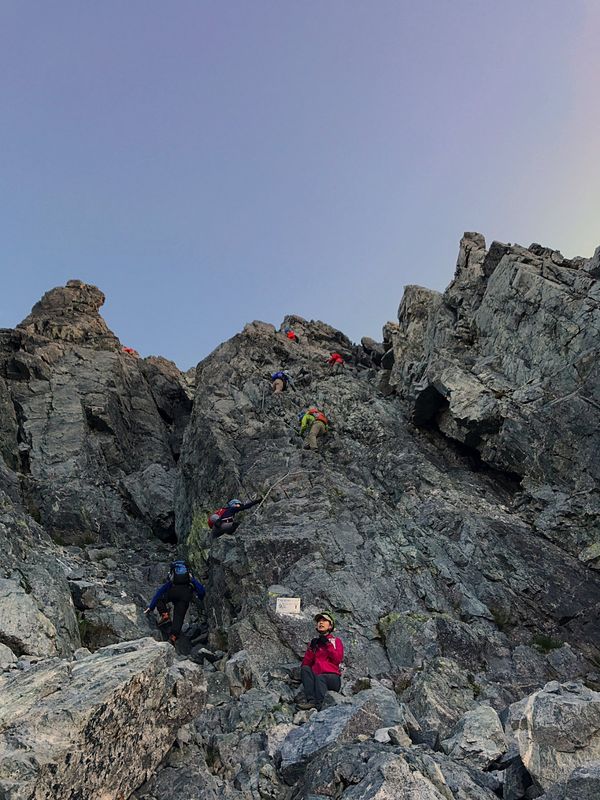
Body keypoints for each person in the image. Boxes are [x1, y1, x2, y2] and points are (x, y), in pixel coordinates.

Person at [145, 560, 205, 645]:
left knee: (161, 599)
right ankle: (173, 638)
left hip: (173, 591)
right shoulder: (190, 579)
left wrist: (150, 607)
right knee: (179, 618)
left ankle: (165, 615)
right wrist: (201, 598)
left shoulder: (173, 580)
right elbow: (201, 591)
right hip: (185, 595)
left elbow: (160, 592)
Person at [298, 612, 344, 710]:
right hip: (317, 676)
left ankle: (320, 705)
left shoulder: (336, 641)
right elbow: (306, 663)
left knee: (320, 677)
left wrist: (327, 644)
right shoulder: (315, 642)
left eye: (324, 620)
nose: (321, 623)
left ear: (330, 625)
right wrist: (311, 648)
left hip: (332, 678)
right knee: (305, 669)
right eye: (319, 621)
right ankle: (311, 701)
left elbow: (337, 659)